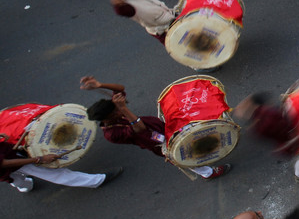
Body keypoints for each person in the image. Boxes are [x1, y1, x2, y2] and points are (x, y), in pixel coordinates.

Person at [80, 76, 229, 180]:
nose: (119, 111)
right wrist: (124, 109)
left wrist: (100, 85)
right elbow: (139, 129)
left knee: (186, 138)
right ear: (106, 118)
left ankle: (204, 152)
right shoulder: (112, 134)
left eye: (118, 109)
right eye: (116, 112)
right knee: (181, 154)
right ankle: (207, 173)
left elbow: (120, 89)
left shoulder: (116, 109)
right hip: (155, 142)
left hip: (159, 127)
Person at [2, 127, 121, 193]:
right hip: (10, 162)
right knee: (55, 174)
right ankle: (97, 181)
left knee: (15, 179)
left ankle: (25, 186)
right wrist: (39, 159)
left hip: (8, 158)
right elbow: (4, 163)